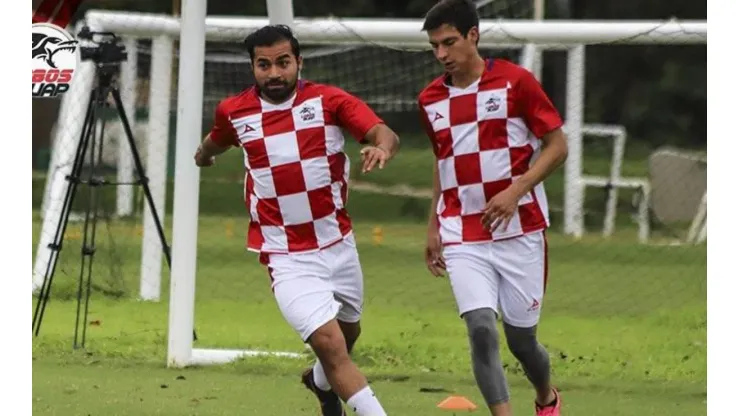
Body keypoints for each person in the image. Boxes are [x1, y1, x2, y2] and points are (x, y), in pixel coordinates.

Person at [194, 25, 399, 416]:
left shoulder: (329, 101)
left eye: (283, 63)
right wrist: (203, 155)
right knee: (330, 343)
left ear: (299, 62)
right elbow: (216, 138)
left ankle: (320, 384)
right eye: (264, 65)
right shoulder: (235, 112)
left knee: (348, 331)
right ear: (253, 67)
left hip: (338, 243)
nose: (274, 74)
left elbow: (382, 132)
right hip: (285, 255)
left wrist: (382, 148)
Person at [417, 1, 568, 415]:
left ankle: (545, 397)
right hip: (462, 232)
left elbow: (558, 147)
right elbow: (443, 161)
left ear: (473, 36)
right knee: (481, 328)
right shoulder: (430, 99)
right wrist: (433, 226)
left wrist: (516, 190)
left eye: (449, 42)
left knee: (523, 342)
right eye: (435, 46)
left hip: (520, 231)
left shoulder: (516, 83)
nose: (442, 54)